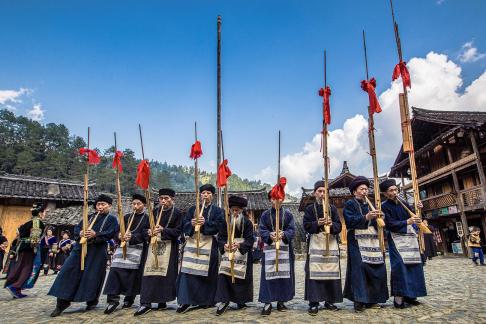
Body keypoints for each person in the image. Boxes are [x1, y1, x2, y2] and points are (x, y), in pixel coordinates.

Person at [48, 194, 119, 317]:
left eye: (103, 204)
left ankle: (91, 300)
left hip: (97, 251)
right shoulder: (89, 217)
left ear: (110, 206)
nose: (100, 207)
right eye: (98, 204)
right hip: (79, 249)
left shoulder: (112, 219)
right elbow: (77, 228)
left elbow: (111, 233)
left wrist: (96, 234)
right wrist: (80, 232)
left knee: (93, 276)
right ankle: (61, 303)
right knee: (68, 272)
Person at [343, 176, 388, 312]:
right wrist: (366, 217)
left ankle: (373, 299)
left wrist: (380, 217)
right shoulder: (350, 204)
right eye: (361, 189)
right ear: (354, 192)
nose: (364, 191)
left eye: (366, 189)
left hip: (373, 240)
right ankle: (360, 300)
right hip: (357, 242)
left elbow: (378, 224)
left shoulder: (372, 204)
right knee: (359, 270)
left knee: (376, 268)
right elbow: (349, 221)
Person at [134, 188, 183, 316]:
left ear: (172, 199)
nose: (163, 201)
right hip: (152, 246)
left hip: (169, 246)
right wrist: (148, 232)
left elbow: (178, 232)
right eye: (161, 198)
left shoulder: (177, 213)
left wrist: (164, 230)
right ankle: (145, 303)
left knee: (165, 276)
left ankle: (162, 301)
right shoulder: (153, 211)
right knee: (149, 274)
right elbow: (143, 229)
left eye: (166, 198)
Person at [176, 184, 224, 313]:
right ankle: (185, 300)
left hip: (209, 243)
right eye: (203, 193)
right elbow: (184, 225)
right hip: (192, 242)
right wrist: (190, 223)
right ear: (200, 195)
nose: (205, 195)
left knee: (207, 273)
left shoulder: (218, 211)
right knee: (187, 271)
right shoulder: (192, 209)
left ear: (212, 196)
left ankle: (206, 300)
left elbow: (220, 226)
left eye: (208, 193)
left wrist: (206, 223)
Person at [380, 179, 427, 308]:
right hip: (396, 239)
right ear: (385, 193)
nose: (395, 192)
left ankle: (411, 295)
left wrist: (419, 211)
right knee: (399, 266)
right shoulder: (384, 206)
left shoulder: (404, 203)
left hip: (409, 238)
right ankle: (399, 297)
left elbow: (416, 220)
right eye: (391, 190)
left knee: (414, 265)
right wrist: (407, 222)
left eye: (396, 189)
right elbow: (388, 224)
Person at [103, 193, 150, 314]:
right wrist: (119, 235)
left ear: (144, 205)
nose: (135, 206)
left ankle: (129, 299)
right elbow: (117, 231)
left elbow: (146, 234)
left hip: (138, 249)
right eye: (133, 203)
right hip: (122, 249)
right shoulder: (126, 217)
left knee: (132, 275)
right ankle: (112, 300)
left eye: (138, 204)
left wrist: (133, 236)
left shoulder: (148, 218)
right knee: (114, 272)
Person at [303, 180, 343, 315]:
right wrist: (317, 223)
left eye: (324, 192)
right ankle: (314, 302)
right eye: (319, 191)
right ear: (315, 193)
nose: (322, 194)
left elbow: (339, 226)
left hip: (330, 243)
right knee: (314, 274)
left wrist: (331, 224)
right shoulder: (309, 209)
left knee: (330, 273)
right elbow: (306, 226)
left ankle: (329, 300)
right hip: (316, 243)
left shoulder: (332, 209)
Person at [214, 195, 255, 316]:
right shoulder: (225, 222)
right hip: (228, 252)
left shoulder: (247, 223)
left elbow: (250, 239)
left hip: (242, 254)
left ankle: (240, 300)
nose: (235, 212)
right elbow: (220, 237)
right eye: (233, 210)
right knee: (224, 275)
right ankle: (224, 300)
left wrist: (241, 245)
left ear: (242, 210)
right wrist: (224, 245)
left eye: (238, 210)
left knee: (241, 277)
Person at [258, 191, 296, 316]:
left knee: (284, 275)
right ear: (270, 200)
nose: (277, 201)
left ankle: (281, 301)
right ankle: (267, 302)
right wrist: (269, 234)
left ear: (283, 199)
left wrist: (284, 234)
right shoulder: (265, 215)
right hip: (269, 249)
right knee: (268, 274)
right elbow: (262, 229)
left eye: (279, 198)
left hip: (285, 248)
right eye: (274, 198)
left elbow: (292, 229)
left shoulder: (289, 214)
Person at [4, 202, 47, 298]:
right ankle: (15, 286)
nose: (45, 214)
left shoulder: (28, 222)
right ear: (40, 213)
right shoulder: (37, 223)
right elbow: (34, 239)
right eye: (44, 212)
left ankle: (16, 288)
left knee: (20, 267)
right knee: (27, 268)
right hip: (28, 248)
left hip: (22, 247)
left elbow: (19, 234)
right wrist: (35, 248)